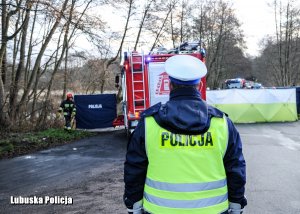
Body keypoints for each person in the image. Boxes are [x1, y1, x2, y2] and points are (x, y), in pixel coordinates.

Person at [123, 55, 247, 214]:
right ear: (200, 84)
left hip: (159, 210)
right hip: (213, 210)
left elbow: (134, 169)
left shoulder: (149, 123)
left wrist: (133, 205)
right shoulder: (222, 123)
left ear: (169, 85)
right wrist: (236, 205)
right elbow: (236, 168)